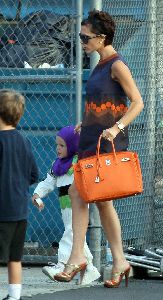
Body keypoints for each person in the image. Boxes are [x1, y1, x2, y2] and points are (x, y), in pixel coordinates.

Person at [54, 10, 144, 288]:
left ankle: (77, 256)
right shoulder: (100, 64)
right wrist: (87, 121)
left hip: (107, 143)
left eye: (85, 37)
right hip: (91, 139)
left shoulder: (117, 65)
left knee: (76, 190)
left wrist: (117, 128)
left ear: (102, 38)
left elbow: (137, 102)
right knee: (101, 200)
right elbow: (105, 102)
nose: (81, 41)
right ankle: (119, 261)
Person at [32, 126, 100, 285]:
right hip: (65, 207)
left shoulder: (79, 161)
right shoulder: (57, 165)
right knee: (77, 237)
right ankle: (89, 269)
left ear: (73, 145)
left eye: (62, 145)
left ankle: (62, 265)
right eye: (57, 145)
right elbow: (48, 182)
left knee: (71, 233)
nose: (58, 148)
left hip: (78, 205)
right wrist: (37, 194)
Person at [0, 89, 39, 300]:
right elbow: (33, 174)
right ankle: (14, 296)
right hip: (20, 211)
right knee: (15, 258)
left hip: (2, 211)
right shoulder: (24, 141)